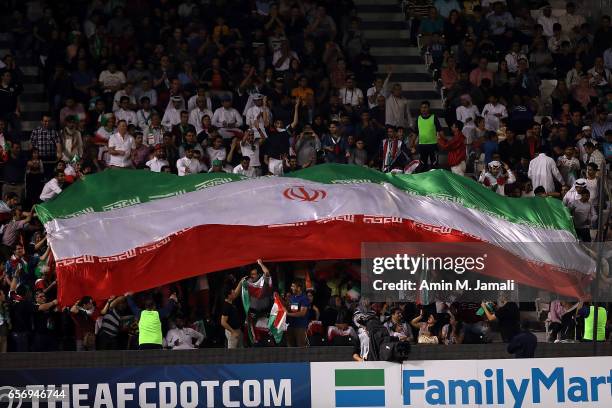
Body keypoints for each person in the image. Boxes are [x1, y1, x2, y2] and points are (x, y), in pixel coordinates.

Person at [414, 101, 443, 170]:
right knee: (423, 165)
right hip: (422, 145)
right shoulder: (418, 119)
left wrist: (442, 142)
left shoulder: (434, 117)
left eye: (425, 107)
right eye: (422, 107)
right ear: (420, 109)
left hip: (433, 145)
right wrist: (412, 144)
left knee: (434, 165)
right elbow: (415, 132)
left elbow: (440, 130)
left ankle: (435, 180)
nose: (423, 109)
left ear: (428, 108)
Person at [286, 280, 309, 347]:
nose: (291, 287)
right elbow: (289, 309)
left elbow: (302, 313)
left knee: (301, 348)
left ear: (299, 288)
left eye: (293, 286)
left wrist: (288, 314)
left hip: (300, 327)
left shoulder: (304, 298)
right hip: (290, 326)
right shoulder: (292, 297)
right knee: (290, 348)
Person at [221, 283, 243, 349]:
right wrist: (233, 332)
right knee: (232, 353)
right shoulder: (226, 307)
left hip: (238, 330)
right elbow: (223, 322)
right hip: (232, 332)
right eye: (232, 292)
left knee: (241, 350)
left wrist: (241, 282)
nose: (235, 293)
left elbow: (236, 293)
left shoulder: (230, 301)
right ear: (229, 295)